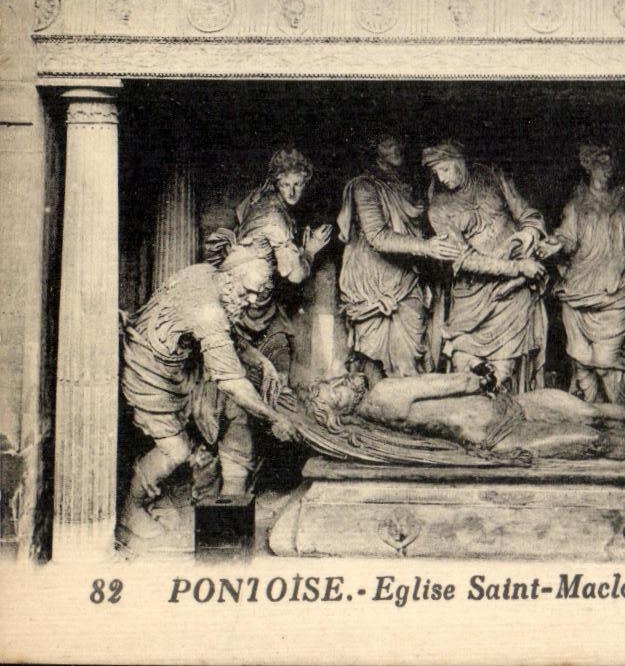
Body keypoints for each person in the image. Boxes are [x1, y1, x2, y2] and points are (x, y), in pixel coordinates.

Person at [119, 236, 297, 542]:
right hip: (150, 371)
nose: (253, 301)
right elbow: (231, 380)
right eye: (249, 292)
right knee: (174, 451)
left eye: (258, 294)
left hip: (184, 366)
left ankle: (223, 497)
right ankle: (131, 509)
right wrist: (273, 418)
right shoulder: (208, 309)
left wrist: (260, 360)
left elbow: (227, 337)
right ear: (232, 278)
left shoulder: (208, 276)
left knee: (231, 413)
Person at [297, 366, 625, 465]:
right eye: (336, 388)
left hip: (505, 415)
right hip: (500, 430)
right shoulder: (383, 394)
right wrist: (477, 378)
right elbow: (443, 383)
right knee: (591, 428)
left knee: (590, 426)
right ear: (340, 410)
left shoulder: (373, 407)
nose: (345, 379)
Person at [423, 140, 553, 390]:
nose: (441, 178)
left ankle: (501, 397)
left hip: (512, 290)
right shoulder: (438, 208)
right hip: (473, 292)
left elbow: (528, 214)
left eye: (445, 169)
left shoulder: (492, 176)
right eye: (436, 173)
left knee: (504, 366)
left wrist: (529, 233)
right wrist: (518, 268)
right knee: (462, 355)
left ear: (459, 159)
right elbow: (464, 259)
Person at [336, 133, 461, 380]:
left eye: (397, 141)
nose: (396, 147)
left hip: (406, 278)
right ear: (375, 148)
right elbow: (377, 236)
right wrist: (427, 247)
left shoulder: (409, 184)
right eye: (387, 142)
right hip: (373, 281)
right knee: (374, 359)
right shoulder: (365, 185)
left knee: (410, 359)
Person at [552, 144, 625, 412]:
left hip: (615, 290)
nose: (607, 169)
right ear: (589, 166)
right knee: (580, 361)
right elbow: (566, 237)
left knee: (604, 360)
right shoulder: (576, 205)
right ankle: (592, 419)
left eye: (610, 163)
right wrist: (554, 244)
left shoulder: (624, 205)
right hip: (578, 289)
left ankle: (622, 417)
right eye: (601, 163)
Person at [230, 147, 332, 380]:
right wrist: (311, 250)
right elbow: (294, 274)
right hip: (247, 303)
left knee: (279, 358)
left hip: (258, 301)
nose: (293, 191)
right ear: (277, 183)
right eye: (286, 184)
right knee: (273, 369)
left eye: (298, 184)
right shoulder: (274, 217)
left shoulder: (260, 201)